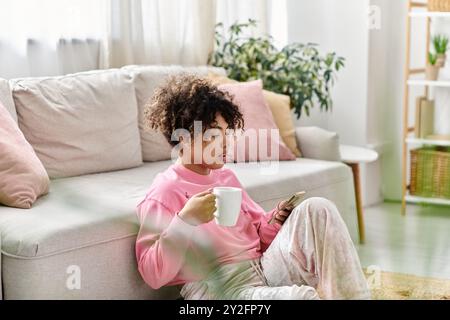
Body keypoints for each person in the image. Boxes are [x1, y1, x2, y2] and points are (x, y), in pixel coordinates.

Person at [135, 74, 370, 300]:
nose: (226, 143)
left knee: (318, 209)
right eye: (215, 135)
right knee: (301, 297)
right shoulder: (165, 191)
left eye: (227, 133)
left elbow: (259, 236)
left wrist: (275, 220)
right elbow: (152, 274)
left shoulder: (225, 177)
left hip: (263, 267)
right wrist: (186, 220)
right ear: (184, 137)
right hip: (218, 287)